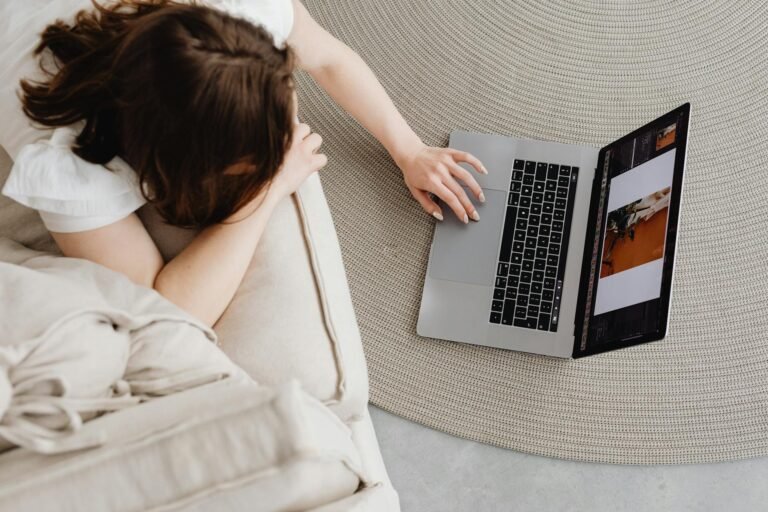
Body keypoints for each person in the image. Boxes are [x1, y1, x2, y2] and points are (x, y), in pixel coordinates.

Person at [0, 0, 487, 326]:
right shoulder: (70, 160)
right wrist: (269, 190)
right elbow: (167, 307)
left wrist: (409, 149)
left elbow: (330, 59)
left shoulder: (239, 17)